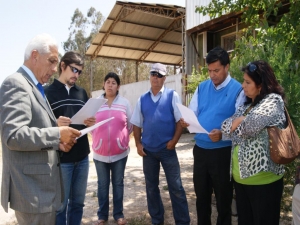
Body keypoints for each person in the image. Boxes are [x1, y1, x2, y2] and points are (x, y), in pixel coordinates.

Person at [0, 33, 81, 225]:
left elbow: (35, 128)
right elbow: (13, 135)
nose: (55, 69)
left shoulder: (35, 87)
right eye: (52, 61)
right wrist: (57, 134)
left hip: (39, 190)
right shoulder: (16, 84)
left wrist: (57, 142)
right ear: (34, 55)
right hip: (32, 192)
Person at [180, 46, 245, 225]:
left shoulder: (238, 90)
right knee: (201, 198)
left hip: (222, 153)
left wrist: (223, 135)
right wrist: (186, 121)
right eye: (209, 71)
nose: (212, 75)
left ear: (227, 67)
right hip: (200, 151)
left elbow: (241, 123)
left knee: (224, 200)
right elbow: (193, 111)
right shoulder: (202, 87)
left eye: (216, 70)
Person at [221, 60, 286, 225]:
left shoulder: (273, 101)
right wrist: (240, 120)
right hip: (242, 180)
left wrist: (239, 122)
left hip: (264, 182)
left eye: (248, 82)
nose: (243, 85)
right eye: (243, 81)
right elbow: (225, 127)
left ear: (261, 85)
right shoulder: (247, 105)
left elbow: (248, 128)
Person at [131, 63, 190, 225]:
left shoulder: (172, 95)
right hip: (148, 151)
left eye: (159, 75)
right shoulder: (142, 99)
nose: (155, 78)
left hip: (167, 150)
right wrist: (138, 144)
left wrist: (174, 141)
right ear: (149, 77)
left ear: (164, 78)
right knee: (151, 188)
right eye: (153, 74)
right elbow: (136, 123)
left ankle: (183, 222)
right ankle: (157, 220)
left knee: (176, 188)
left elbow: (180, 121)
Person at [44, 51, 96, 225]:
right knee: (60, 206)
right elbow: (40, 127)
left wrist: (90, 122)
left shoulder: (81, 93)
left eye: (80, 72)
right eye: (74, 70)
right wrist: (54, 123)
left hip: (82, 157)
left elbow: (87, 118)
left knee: (78, 204)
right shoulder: (47, 93)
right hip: (61, 159)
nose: (77, 75)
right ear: (63, 66)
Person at [91, 72, 132, 225]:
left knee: (118, 183)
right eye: (107, 81)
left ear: (118, 86)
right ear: (103, 84)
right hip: (100, 153)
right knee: (102, 185)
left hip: (120, 153)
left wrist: (121, 140)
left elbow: (131, 125)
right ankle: (102, 216)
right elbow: (88, 123)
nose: (110, 85)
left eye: (113, 82)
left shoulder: (125, 103)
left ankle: (118, 214)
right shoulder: (95, 103)